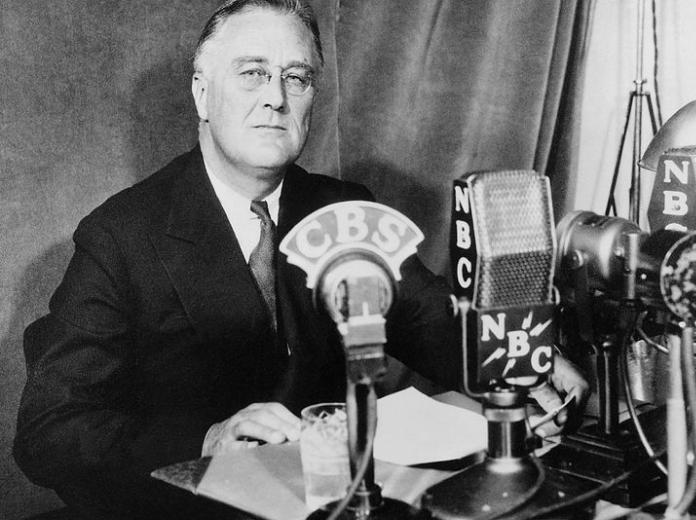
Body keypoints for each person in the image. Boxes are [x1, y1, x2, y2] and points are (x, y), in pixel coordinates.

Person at [13, 1, 589, 518]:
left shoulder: (346, 211)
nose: (276, 97)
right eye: (253, 73)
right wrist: (207, 438)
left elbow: (430, 320)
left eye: (297, 77)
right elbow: (48, 430)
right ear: (200, 93)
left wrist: (516, 356)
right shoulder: (122, 235)